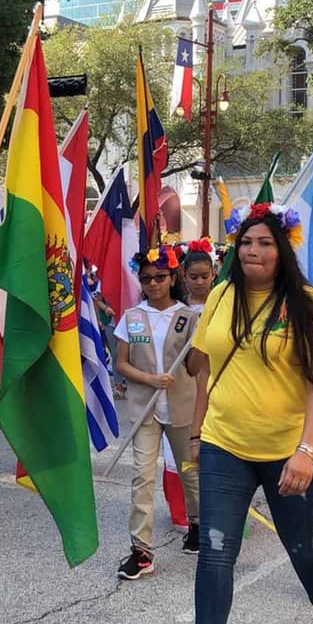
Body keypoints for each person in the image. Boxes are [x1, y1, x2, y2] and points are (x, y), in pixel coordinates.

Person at [188, 202, 313, 624]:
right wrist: (197, 432)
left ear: (283, 250)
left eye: (264, 243)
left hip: (289, 451)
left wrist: (306, 452)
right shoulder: (220, 296)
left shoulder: (307, 305)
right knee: (214, 554)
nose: (252, 251)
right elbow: (205, 370)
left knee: (302, 548)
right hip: (224, 445)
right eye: (245, 242)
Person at [114, 243, 201, 580]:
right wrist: (150, 379)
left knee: (189, 471)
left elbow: (194, 367)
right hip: (145, 409)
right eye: (146, 278)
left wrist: (202, 342)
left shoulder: (188, 316)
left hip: (181, 407)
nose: (153, 283)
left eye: (160, 277)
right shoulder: (132, 317)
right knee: (142, 477)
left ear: (172, 278)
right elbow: (121, 364)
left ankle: (197, 524)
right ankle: (141, 550)